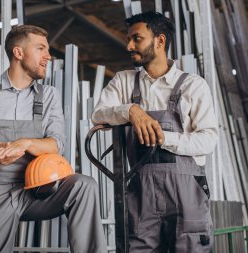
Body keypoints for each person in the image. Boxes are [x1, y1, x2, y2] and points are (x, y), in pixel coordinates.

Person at [0, 24, 107, 253]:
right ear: (18, 53)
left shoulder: (49, 96)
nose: (48, 56)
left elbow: (57, 144)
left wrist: (25, 143)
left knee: (84, 186)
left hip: (36, 190)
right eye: (41, 49)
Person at [92, 12, 218, 253]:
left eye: (136, 38)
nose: (129, 46)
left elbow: (209, 139)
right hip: (141, 192)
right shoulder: (123, 82)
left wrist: (163, 138)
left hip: (187, 193)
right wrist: (131, 110)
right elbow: (98, 114)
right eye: (129, 39)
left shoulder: (193, 85)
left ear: (159, 41)